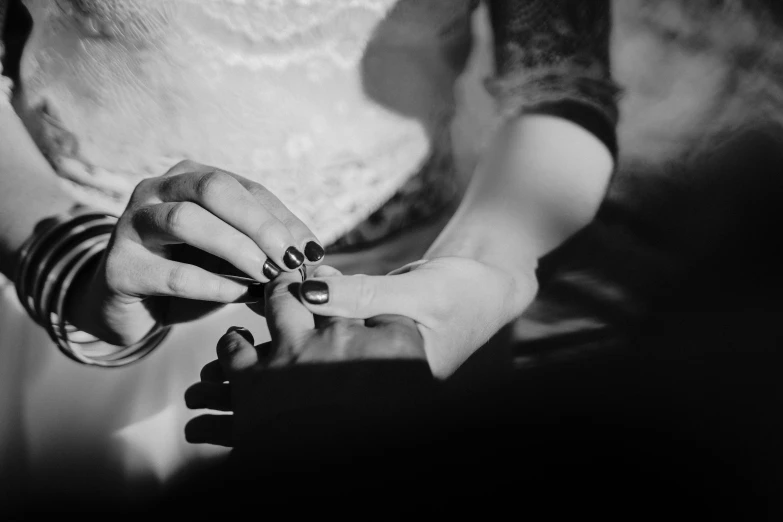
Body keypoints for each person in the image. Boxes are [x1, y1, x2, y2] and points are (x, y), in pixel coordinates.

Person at [0, 0, 618, 508]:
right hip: (107, 276)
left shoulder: (447, 296)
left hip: (424, 300)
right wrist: (73, 270)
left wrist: (483, 274)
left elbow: (563, 82)